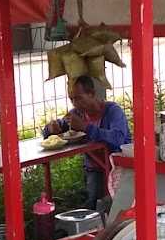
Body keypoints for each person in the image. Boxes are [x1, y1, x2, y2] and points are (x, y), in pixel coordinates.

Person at [43, 75, 131, 209]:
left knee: (116, 207)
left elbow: (118, 139)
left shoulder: (112, 111)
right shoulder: (77, 113)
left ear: (92, 94)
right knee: (95, 204)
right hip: (95, 168)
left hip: (120, 167)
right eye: (71, 99)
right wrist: (51, 130)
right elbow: (58, 127)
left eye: (79, 98)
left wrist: (86, 127)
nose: (75, 103)